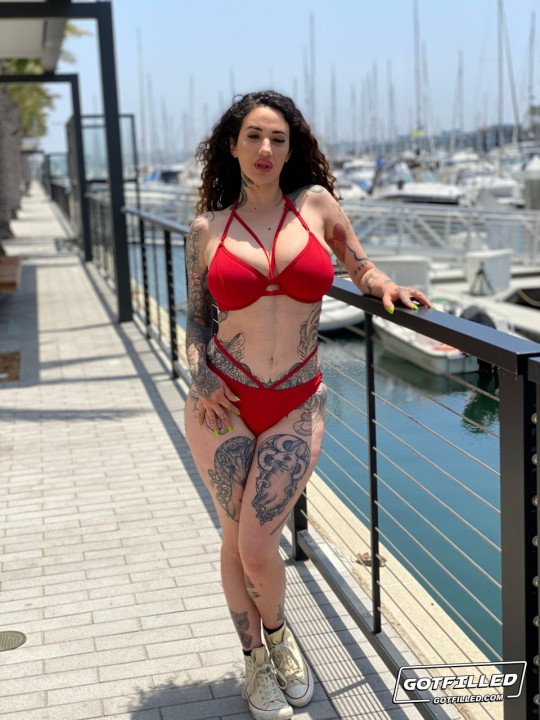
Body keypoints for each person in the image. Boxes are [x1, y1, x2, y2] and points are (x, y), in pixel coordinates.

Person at [184, 90, 431, 720]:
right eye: (254, 136)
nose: (266, 148)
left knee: (258, 545)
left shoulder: (316, 206)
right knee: (236, 540)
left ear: (292, 149)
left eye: (279, 138)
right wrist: (201, 377)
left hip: (296, 401)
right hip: (223, 403)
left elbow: (360, 265)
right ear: (232, 145)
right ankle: (255, 663)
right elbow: (197, 323)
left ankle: (279, 636)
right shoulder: (207, 229)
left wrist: (386, 286)